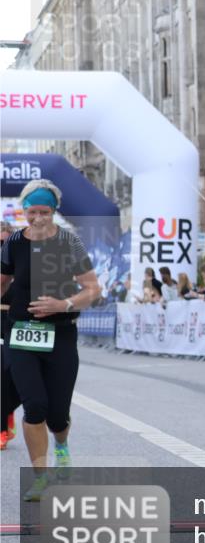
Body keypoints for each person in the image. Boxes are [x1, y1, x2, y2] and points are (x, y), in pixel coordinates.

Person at [0, 180, 101, 500]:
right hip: (21, 332)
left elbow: (92, 289)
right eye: (32, 212)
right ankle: (41, 477)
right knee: (34, 405)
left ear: (54, 211)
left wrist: (64, 305)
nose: (38, 218)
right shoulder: (13, 242)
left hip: (60, 333)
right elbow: (2, 281)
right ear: (24, 211)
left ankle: (61, 444)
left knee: (57, 414)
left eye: (45, 212)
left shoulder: (69, 242)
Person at [1, 221, 20, 449]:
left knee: (16, 380)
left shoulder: (23, 266)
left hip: (18, 327)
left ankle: (7, 411)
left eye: (6, 242)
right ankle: (1, 429)